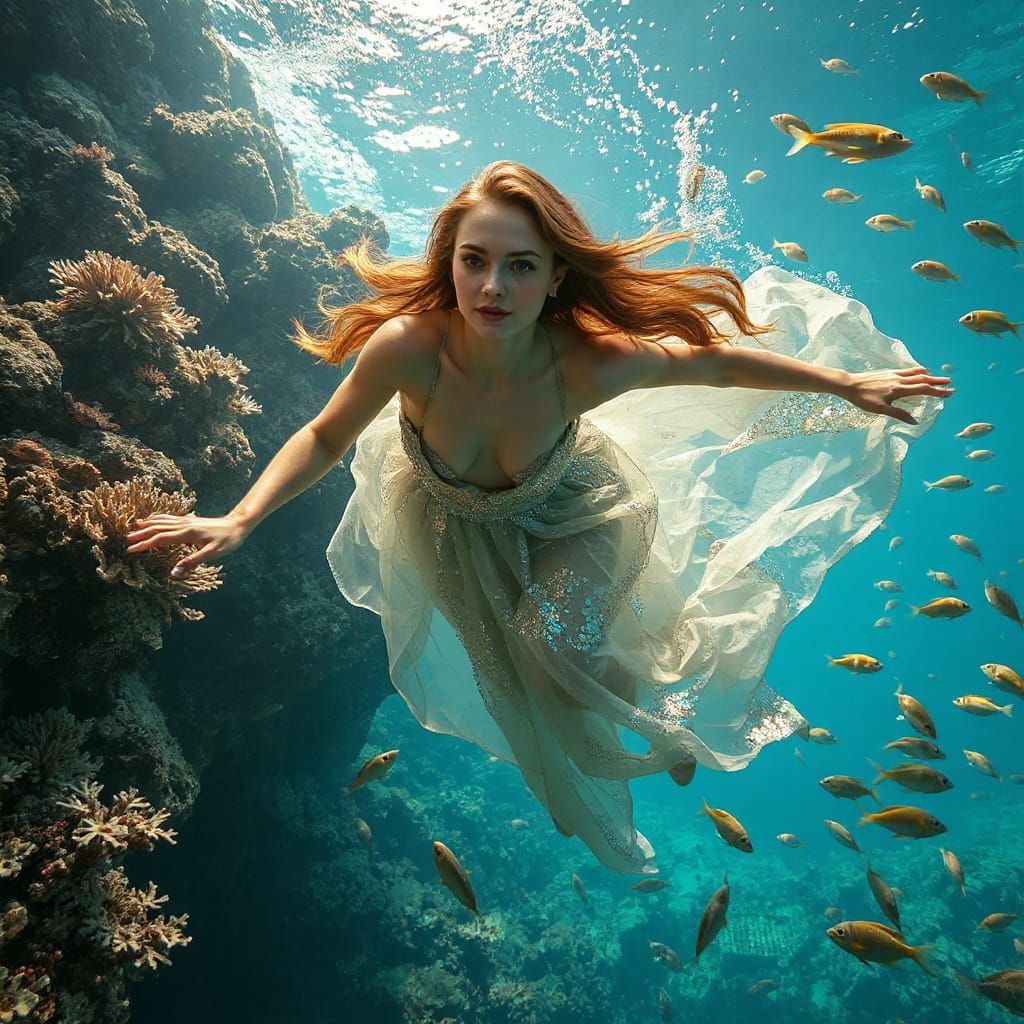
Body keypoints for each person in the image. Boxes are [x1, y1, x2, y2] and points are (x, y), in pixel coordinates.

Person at [126, 161, 951, 874]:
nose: (493, 287)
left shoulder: (588, 361)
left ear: (557, 275)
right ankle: (633, 709)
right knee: (530, 685)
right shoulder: (409, 346)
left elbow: (716, 362)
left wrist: (847, 386)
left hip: (582, 509)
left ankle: (656, 715)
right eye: (474, 261)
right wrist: (238, 519)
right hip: (453, 518)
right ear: (447, 262)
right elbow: (325, 434)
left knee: (549, 640)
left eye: (521, 267)